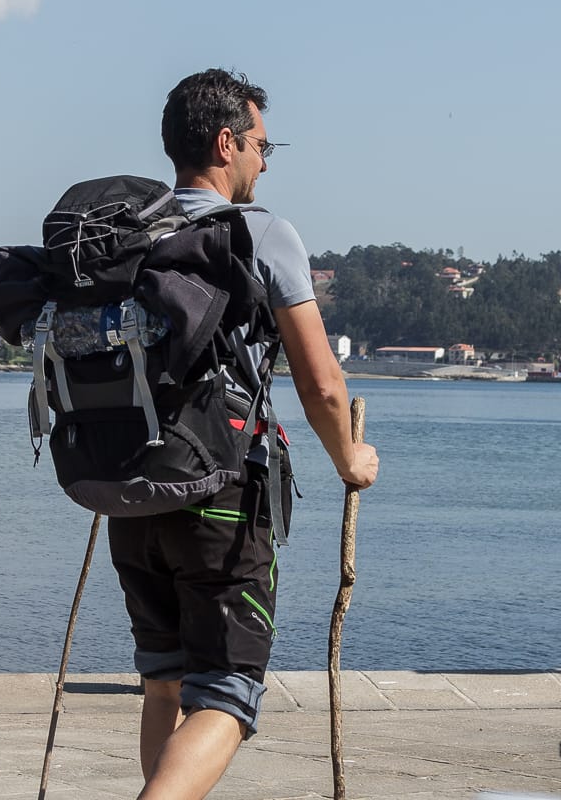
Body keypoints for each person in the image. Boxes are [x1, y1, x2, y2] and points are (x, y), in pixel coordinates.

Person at [108, 70, 380, 799]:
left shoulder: (127, 233)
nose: (265, 160)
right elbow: (321, 381)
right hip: (220, 499)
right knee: (226, 693)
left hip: (128, 493)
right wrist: (351, 458)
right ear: (226, 143)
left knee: (163, 685)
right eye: (261, 144)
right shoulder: (258, 232)